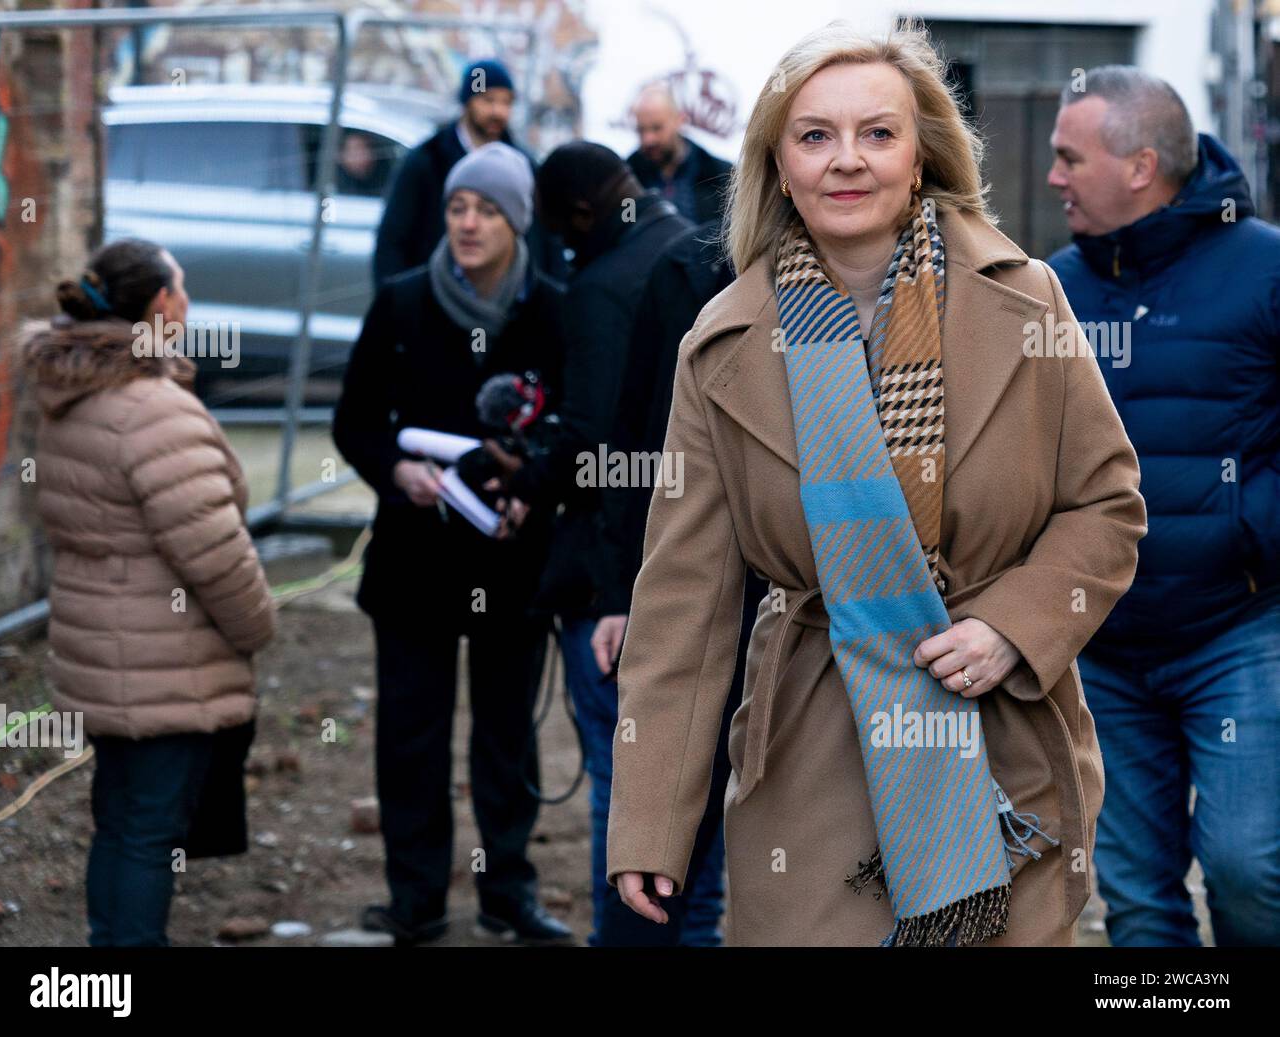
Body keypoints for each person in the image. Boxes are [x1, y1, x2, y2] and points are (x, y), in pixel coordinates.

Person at [607, 21, 1147, 946]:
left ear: (920, 155)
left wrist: (1014, 627)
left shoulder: (1028, 299)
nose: (847, 159)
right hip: (807, 751)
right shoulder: (721, 343)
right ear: (779, 166)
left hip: (1000, 743)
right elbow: (682, 602)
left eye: (878, 133)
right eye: (815, 135)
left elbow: (1105, 505)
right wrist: (652, 818)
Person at [1047, 67, 1280, 947]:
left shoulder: (1266, 269)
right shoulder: (1050, 290)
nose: (1053, 177)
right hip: (1102, 644)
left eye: (1071, 158)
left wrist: (1254, 533)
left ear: (1141, 166)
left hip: (1242, 631)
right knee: (1137, 898)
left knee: (1251, 869)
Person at [333, 142, 571, 945]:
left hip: (511, 563)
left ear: (518, 222)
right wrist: (396, 469)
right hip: (415, 563)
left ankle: (508, 892)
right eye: (458, 208)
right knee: (412, 737)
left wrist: (532, 489)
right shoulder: (402, 302)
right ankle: (416, 898)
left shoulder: (552, 310)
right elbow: (354, 420)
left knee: (506, 739)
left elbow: (574, 429)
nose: (468, 223)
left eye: (488, 210)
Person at [22, 238, 276, 946]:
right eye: (183, 288)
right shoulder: (154, 410)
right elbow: (215, 553)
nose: (189, 303)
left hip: (100, 652)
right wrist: (258, 627)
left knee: (121, 820)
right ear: (161, 303)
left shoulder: (73, 392)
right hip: (165, 662)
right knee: (149, 831)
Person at [489, 142, 692, 945]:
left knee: (625, 787)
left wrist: (525, 475)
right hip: (695, 562)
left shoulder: (604, 285)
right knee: (694, 787)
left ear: (577, 214)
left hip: (615, 576)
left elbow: (594, 443)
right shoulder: (689, 250)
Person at [593, 220, 765, 946]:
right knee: (671, 826)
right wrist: (618, 594)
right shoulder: (690, 274)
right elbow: (636, 436)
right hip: (715, 589)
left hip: (825, 633)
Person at [373, 58, 565, 287]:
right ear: (467, 101)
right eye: (488, 100)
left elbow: (547, 240)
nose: (497, 111)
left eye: (506, 102)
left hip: (509, 296)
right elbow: (393, 239)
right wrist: (397, 300)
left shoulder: (524, 165)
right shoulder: (428, 160)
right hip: (435, 293)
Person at [627, 83, 732, 225]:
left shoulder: (720, 175)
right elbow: (624, 228)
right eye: (641, 130)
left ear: (680, 120)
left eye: (657, 128)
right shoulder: (628, 178)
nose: (649, 139)